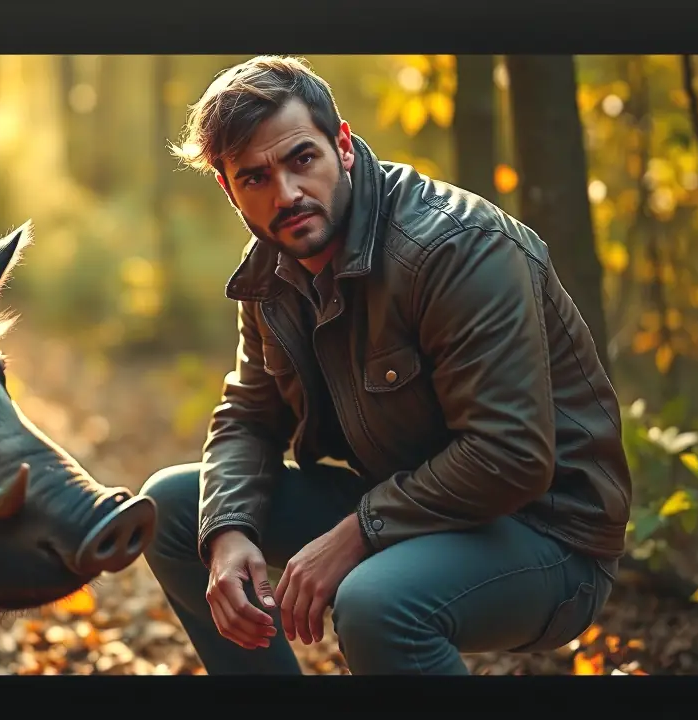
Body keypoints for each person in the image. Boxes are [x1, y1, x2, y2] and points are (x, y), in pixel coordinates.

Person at [138, 55, 632, 675]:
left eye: (301, 159)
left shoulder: (456, 249)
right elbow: (248, 417)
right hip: (410, 508)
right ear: (228, 187)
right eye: (255, 177)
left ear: (341, 144)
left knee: (373, 602)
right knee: (177, 511)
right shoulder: (273, 267)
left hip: (548, 536)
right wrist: (229, 532)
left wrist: (357, 534)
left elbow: (511, 455)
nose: (286, 194)